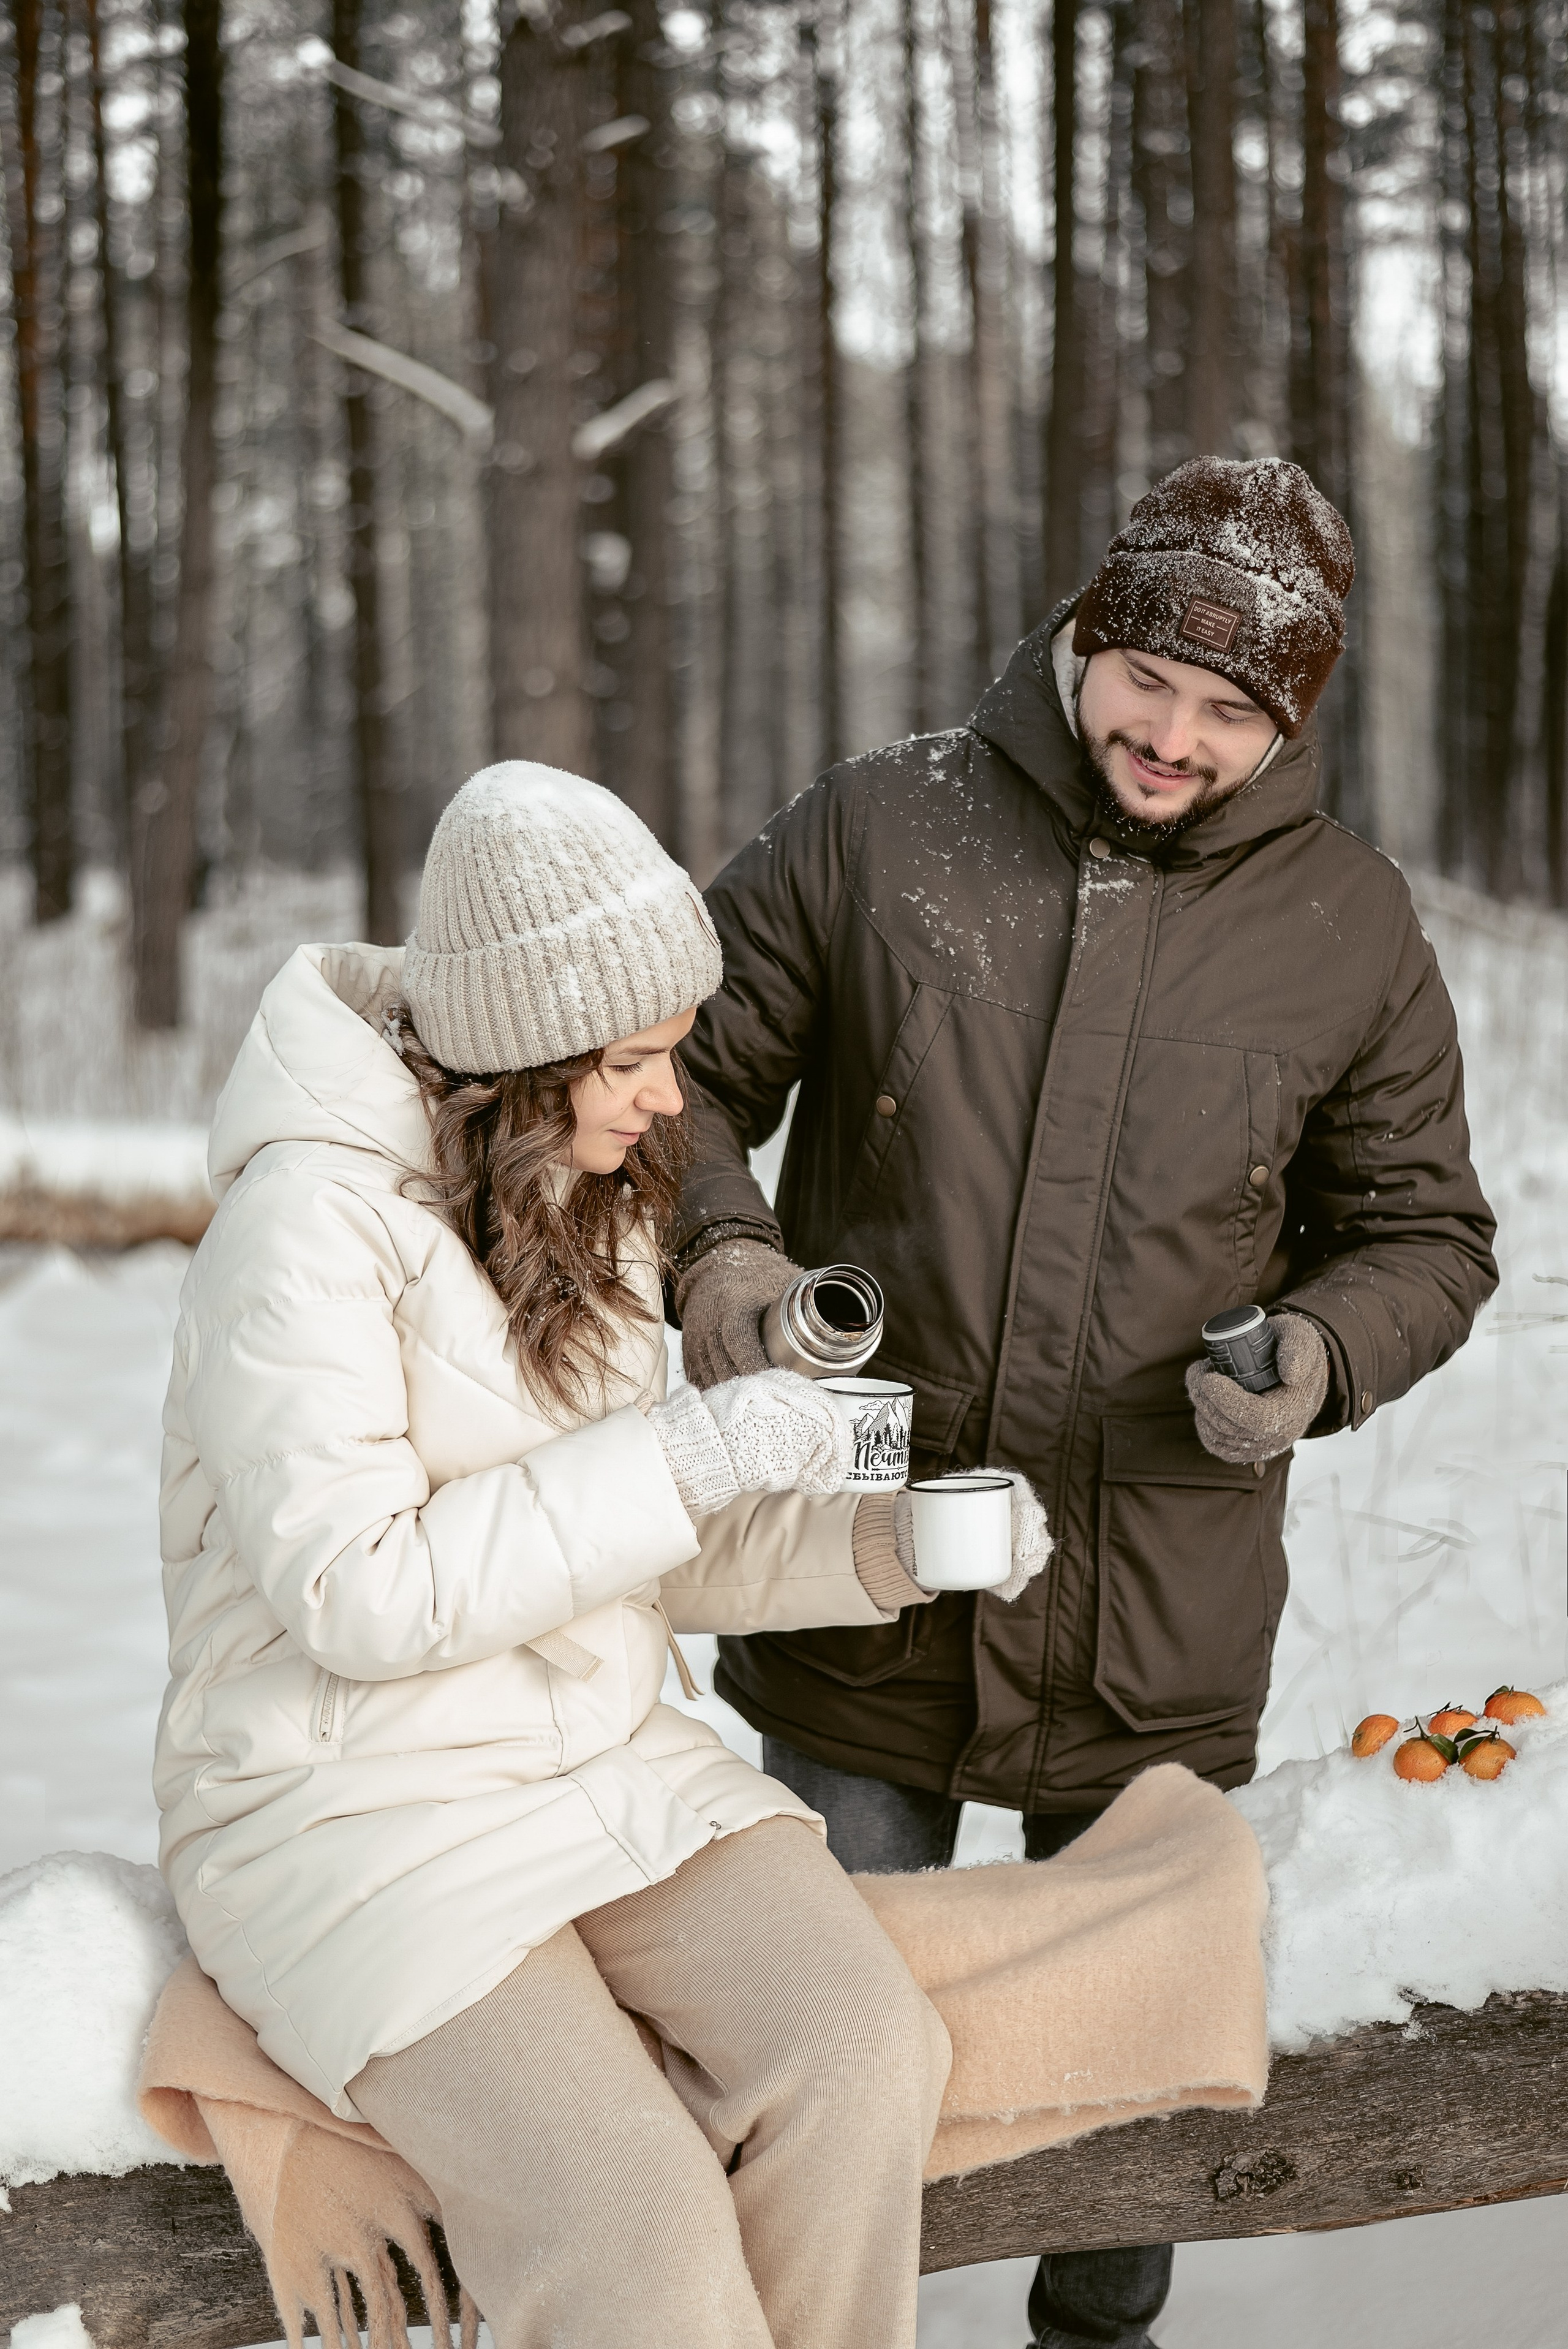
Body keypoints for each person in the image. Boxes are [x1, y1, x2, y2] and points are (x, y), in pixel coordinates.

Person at [671, 456, 1499, 2349]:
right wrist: (721, 1249)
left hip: (1157, 1611)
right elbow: (681, 1077)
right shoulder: (885, 826)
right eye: (1153, 682)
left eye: (1236, 711)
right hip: (862, 1572)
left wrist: (1321, 1352)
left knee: (1119, 2109)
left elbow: (1427, 1230)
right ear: (1087, 632)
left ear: (1291, 716)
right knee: (820, 2081)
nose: (1177, 737)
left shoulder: (1350, 930)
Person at [153, 762, 1052, 2349]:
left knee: (859, 2059)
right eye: (632, 1061)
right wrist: (691, 1447)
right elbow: (365, 1591)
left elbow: (639, 1550)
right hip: (354, 1815)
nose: (668, 1101)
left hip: (598, 1765)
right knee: (633, 2224)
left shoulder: (585, 1192)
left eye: (671, 1054)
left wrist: (883, 1542)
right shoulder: (299, 1234)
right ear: (523, 1054)